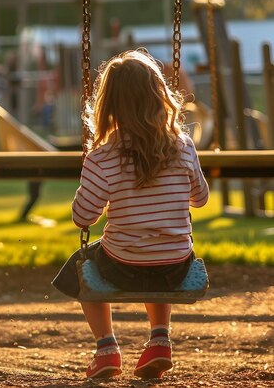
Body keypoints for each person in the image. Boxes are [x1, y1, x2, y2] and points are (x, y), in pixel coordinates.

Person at [52, 49, 209, 380]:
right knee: (160, 256)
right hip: (176, 265)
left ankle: (107, 348)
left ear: (108, 104)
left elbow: (83, 218)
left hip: (122, 264)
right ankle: (160, 338)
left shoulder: (102, 157)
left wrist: (89, 185)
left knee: (82, 266)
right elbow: (201, 198)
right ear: (158, 95)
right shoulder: (182, 145)